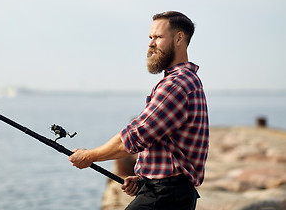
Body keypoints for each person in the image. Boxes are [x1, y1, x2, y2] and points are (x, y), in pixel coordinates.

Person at [69, 11, 209, 210]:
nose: (151, 43)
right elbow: (167, 144)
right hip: (170, 193)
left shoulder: (176, 85)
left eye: (158, 37)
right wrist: (145, 179)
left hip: (166, 196)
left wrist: (90, 155)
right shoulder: (186, 80)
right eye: (150, 38)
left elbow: (136, 136)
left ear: (179, 38)